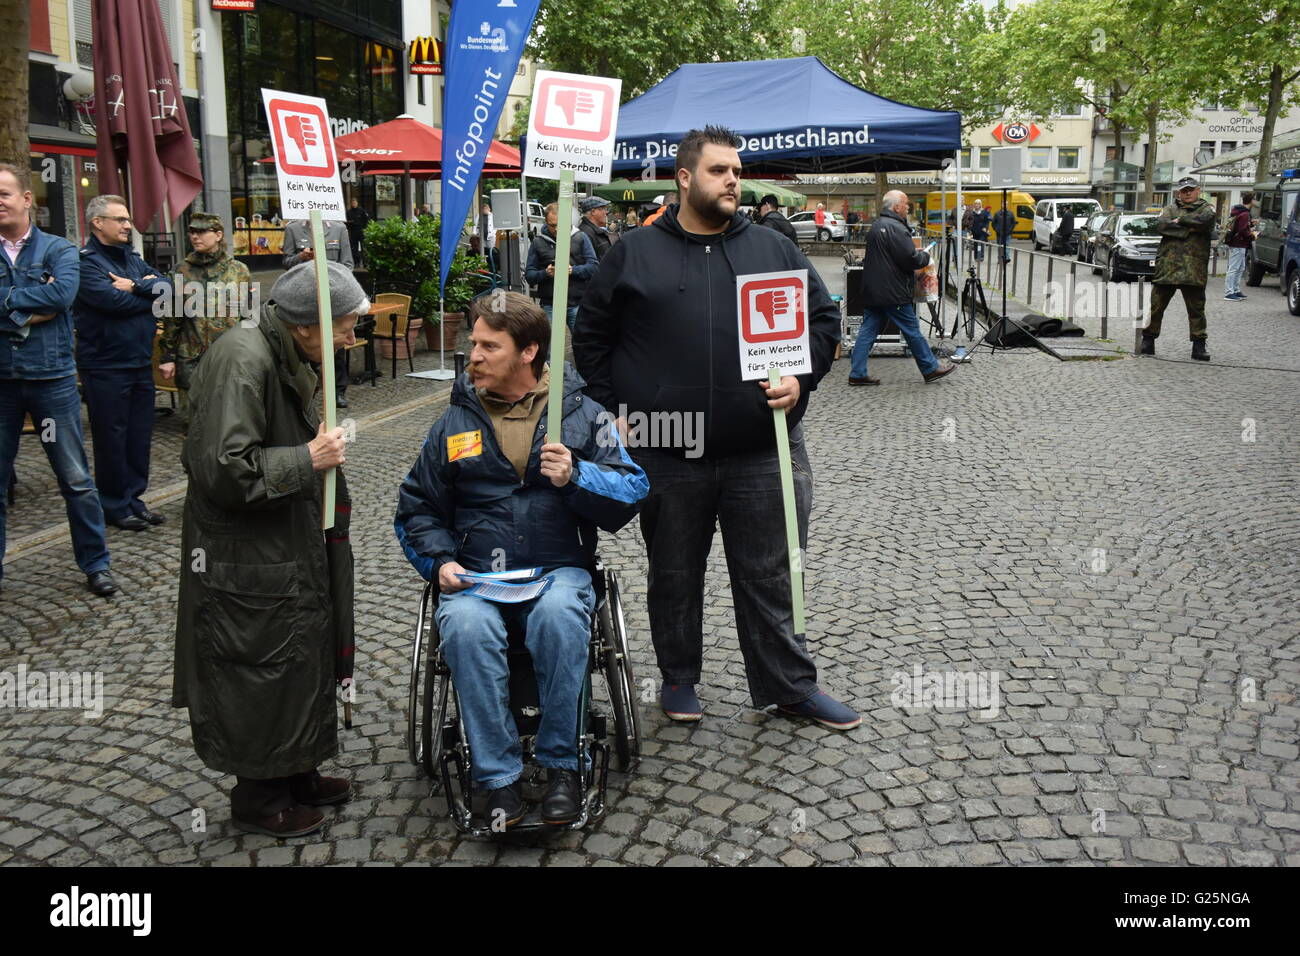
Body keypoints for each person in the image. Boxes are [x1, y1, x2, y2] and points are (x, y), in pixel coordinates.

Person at [575, 125, 859, 731]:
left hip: (760, 446)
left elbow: (824, 320)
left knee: (770, 572)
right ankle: (679, 679)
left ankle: (789, 686)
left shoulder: (772, 249)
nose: (732, 179)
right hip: (666, 449)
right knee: (674, 572)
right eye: (718, 170)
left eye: (736, 170)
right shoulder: (634, 251)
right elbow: (590, 338)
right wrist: (611, 412)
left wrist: (800, 381)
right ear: (684, 178)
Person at [394, 291, 647, 827]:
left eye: (489, 345)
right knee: (463, 626)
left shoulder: (582, 414)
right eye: (473, 344)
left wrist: (577, 475)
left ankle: (562, 766)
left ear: (528, 351)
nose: (474, 356)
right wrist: (439, 562)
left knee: (558, 617)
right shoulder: (454, 423)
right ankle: (497, 777)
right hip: (476, 575)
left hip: (558, 569)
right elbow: (416, 508)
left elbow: (632, 488)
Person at [173, 260, 364, 838]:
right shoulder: (241, 359)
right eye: (347, 325)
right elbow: (222, 470)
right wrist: (307, 458)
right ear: (307, 325)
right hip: (247, 554)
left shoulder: (289, 351)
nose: (355, 336)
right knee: (257, 661)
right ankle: (259, 795)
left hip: (287, 539)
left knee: (300, 649)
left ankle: (296, 767)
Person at [0, 163, 115, 597]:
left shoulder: (59, 250)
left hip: (53, 380)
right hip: (2, 382)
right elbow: (47, 301)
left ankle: (96, 563)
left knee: (77, 480)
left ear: (26, 199)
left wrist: (6, 308)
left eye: (4, 194)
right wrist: (28, 307)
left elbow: (63, 295)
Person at [74, 194, 173, 533]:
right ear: (98, 223)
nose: (128, 225)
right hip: (105, 365)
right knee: (112, 437)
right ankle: (114, 505)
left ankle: (135, 499)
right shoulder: (85, 262)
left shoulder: (132, 259)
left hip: (138, 362)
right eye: (120, 220)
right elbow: (110, 302)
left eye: (128, 220)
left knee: (138, 435)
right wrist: (145, 295)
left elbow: (169, 289)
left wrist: (135, 287)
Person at [849, 190, 955, 387]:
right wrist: (924, 256)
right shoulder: (896, 228)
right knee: (912, 330)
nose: (908, 207)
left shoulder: (876, 226)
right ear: (896, 207)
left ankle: (857, 373)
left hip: (874, 289)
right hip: (892, 291)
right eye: (906, 204)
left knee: (867, 331)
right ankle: (930, 368)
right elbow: (909, 259)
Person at [159, 213, 251, 425]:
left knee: (230, 422)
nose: (195, 237)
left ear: (218, 235)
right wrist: (167, 356)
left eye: (201, 232)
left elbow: (249, 316)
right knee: (193, 425)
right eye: (192, 231)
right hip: (191, 359)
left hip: (229, 359)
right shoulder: (181, 270)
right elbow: (173, 317)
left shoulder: (239, 271)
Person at [281, 216, 355, 408]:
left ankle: (337, 392)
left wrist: (332, 281)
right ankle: (308, 391)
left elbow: (348, 265)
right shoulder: (293, 229)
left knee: (335, 346)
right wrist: (301, 258)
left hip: (332, 299)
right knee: (306, 344)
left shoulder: (339, 229)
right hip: (304, 300)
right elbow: (286, 262)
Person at [1142, 177, 1216, 360]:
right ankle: (1148, 340)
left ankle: (1199, 345)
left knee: (1197, 310)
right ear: (1178, 193)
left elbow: (1205, 221)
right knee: (1155, 307)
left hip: (1193, 268)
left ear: (1198, 190)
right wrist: (1189, 228)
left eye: (1191, 189)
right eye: (1184, 190)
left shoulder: (1206, 208)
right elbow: (1161, 225)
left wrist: (1180, 221)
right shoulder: (1169, 208)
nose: (1188, 193)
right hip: (1168, 266)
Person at [525, 202, 598, 334]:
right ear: (545, 223)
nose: (557, 229)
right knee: (548, 349)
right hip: (550, 303)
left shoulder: (580, 237)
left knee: (582, 346)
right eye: (552, 225)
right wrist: (545, 273)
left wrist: (573, 270)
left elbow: (594, 267)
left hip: (576, 302)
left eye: (560, 224)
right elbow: (529, 275)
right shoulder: (538, 242)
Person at [1223, 193, 1255, 301]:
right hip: (1238, 244)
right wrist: (1252, 236)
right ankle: (1229, 292)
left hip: (1237, 243)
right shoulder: (1245, 214)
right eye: (1255, 199)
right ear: (1251, 201)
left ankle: (1235, 290)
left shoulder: (1240, 212)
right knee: (1234, 268)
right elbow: (1242, 230)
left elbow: (1240, 227)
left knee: (1240, 267)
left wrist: (1250, 225)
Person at [577, 196, 613, 262]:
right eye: (603, 208)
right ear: (593, 212)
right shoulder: (586, 233)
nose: (606, 213)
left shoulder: (591, 231)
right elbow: (592, 264)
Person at [475, 201, 497, 277]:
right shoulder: (479, 215)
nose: (484, 210)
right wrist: (475, 234)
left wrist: (494, 233)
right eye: (483, 209)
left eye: (485, 209)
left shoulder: (492, 216)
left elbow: (495, 225)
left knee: (491, 251)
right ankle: (483, 266)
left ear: (488, 209)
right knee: (482, 251)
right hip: (481, 236)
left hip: (490, 236)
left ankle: (491, 266)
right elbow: (475, 225)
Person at [345, 198, 369, 266]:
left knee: (364, 247)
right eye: (353, 203)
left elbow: (366, 220)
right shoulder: (348, 212)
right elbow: (346, 222)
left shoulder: (361, 211)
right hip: (353, 231)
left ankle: (365, 263)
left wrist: (364, 228)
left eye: (355, 203)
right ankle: (356, 262)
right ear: (351, 204)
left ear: (357, 203)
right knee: (354, 248)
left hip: (361, 231)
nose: (354, 204)